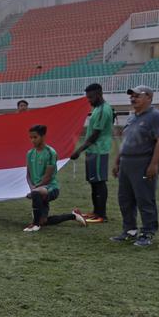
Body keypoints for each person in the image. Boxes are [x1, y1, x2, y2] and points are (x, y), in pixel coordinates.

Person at [110, 85, 159, 248]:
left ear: (149, 97)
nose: (133, 98)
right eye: (132, 96)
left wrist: (154, 163)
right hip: (126, 163)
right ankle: (129, 230)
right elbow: (126, 143)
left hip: (143, 162)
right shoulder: (132, 118)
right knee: (125, 199)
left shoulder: (156, 116)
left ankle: (147, 232)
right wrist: (117, 161)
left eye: (137, 96)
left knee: (144, 198)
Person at [23, 124, 87, 232]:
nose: (32, 140)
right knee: (44, 221)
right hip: (37, 190)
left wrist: (34, 190)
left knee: (36, 197)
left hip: (50, 188)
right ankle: (73, 216)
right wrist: (32, 187)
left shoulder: (50, 153)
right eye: (31, 138)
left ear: (43, 136)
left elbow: (47, 178)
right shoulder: (29, 153)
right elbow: (28, 175)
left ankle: (35, 225)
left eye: (35, 137)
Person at [68, 83, 115, 223]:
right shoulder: (98, 108)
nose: (89, 100)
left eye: (91, 97)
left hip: (99, 151)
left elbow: (95, 135)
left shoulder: (102, 110)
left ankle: (102, 214)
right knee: (94, 182)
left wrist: (79, 150)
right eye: (87, 97)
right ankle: (96, 211)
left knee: (99, 182)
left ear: (99, 94)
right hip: (93, 150)